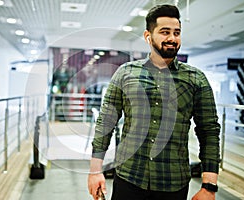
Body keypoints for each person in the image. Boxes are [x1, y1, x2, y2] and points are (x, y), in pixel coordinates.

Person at [88, 4, 220, 200]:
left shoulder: (196, 79)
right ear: (148, 36)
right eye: (165, 32)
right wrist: (95, 170)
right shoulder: (126, 73)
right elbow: (106, 122)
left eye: (177, 33)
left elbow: (209, 131)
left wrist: (209, 186)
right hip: (129, 179)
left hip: (173, 184)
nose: (172, 39)